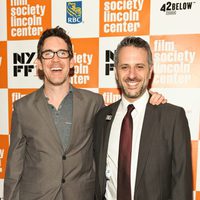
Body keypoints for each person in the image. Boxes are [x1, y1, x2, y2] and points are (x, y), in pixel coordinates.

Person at [4, 27, 166, 200]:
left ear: (72, 61)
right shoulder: (23, 108)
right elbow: (14, 168)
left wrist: (149, 100)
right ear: (39, 63)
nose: (56, 60)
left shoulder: (93, 103)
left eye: (62, 53)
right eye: (48, 54)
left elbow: (122, 117)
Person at [93, 36, 193, 200]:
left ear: (150, 70)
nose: (132, 75)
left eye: (139, 67)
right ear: (116, 71)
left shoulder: (172, 118)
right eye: (125, 67)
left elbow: (181, 184)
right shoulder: (102, 118)